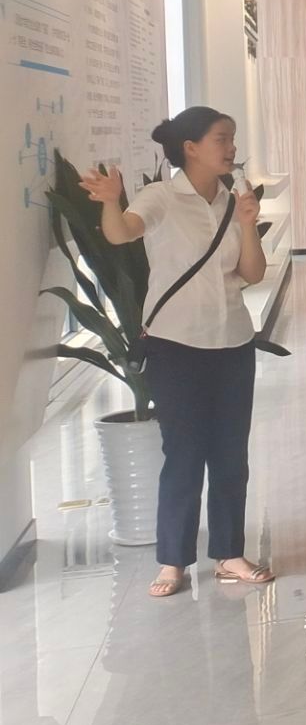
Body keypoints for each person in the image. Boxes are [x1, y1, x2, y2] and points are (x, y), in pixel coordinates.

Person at [81, 107, 272, 597]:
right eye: (221, 138)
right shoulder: (162, 197)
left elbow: (252, 274)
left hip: (232, 342)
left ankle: (229, 554)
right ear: (190, 148)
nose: (231, 148)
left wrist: (248, 223)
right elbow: (121, 232)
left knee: (230, 455)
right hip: (176, 346)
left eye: (232, 138)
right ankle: (173, 561)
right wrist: (110, 201)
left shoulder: (233, 201)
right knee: (183, 453)